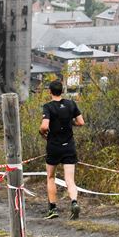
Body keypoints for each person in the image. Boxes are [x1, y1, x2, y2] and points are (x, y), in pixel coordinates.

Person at [40, 79, 85, 220]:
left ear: (50, 92)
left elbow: (44, 126)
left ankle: (53, 209)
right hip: (69, 146)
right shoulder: (71, 104)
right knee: (70, 179)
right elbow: (81, 122)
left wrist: (42, 132)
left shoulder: (48, 107)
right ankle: (74, 202)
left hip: (54, 146)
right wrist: (70, 122)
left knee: (51, 177)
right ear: (62, 91)